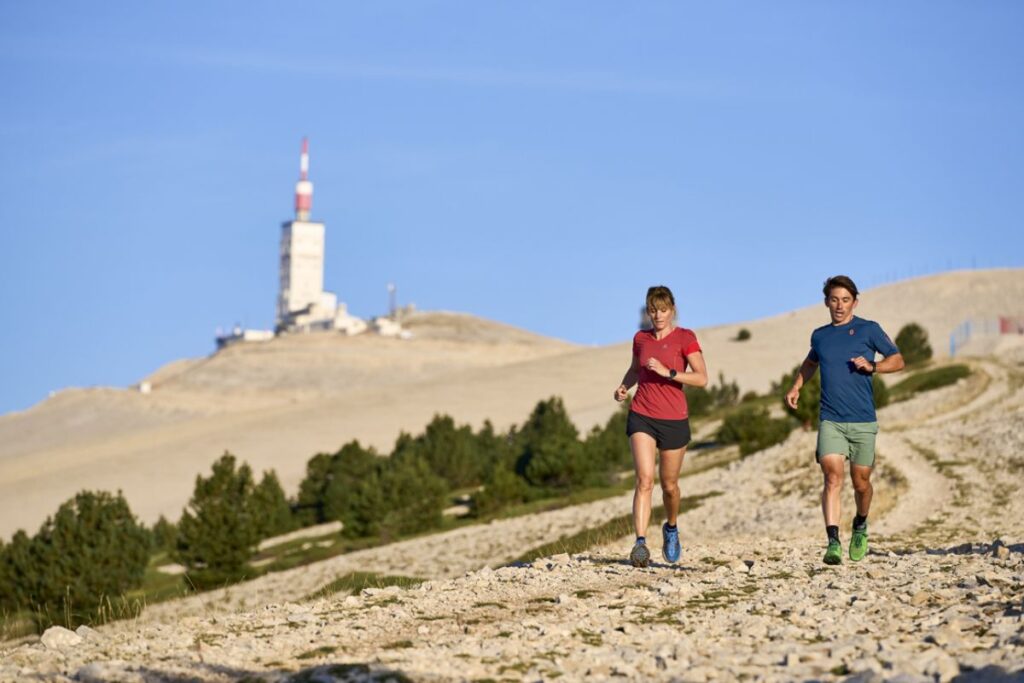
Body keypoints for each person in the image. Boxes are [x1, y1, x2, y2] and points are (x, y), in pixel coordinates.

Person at [785, 275, 904, 565]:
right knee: (832, 474)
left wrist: (873, 366)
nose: (839, 305)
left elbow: (898, 360)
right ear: (827, 301)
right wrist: (797, 385)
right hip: (831, 418)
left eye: (845, 300)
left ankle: (860, 524)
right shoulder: (820, 335)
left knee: (861, 482)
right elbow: (811, 361)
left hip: (863, 419)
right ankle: (833, 542)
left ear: (855, 302)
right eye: (834, 299)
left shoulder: (868, 329)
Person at [615, 285, 708, 567]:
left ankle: (671, 527)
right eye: (653, 310)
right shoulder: (640, 339)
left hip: (674, 419)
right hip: (642, 413)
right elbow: (635, 369)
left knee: (669, 486)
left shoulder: (685, 338)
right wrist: (623, 387)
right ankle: (640, 544)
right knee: (645, 480)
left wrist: (668, 372)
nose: (658, 315)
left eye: (663, 310)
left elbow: (701, 378)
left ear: (672, 310)